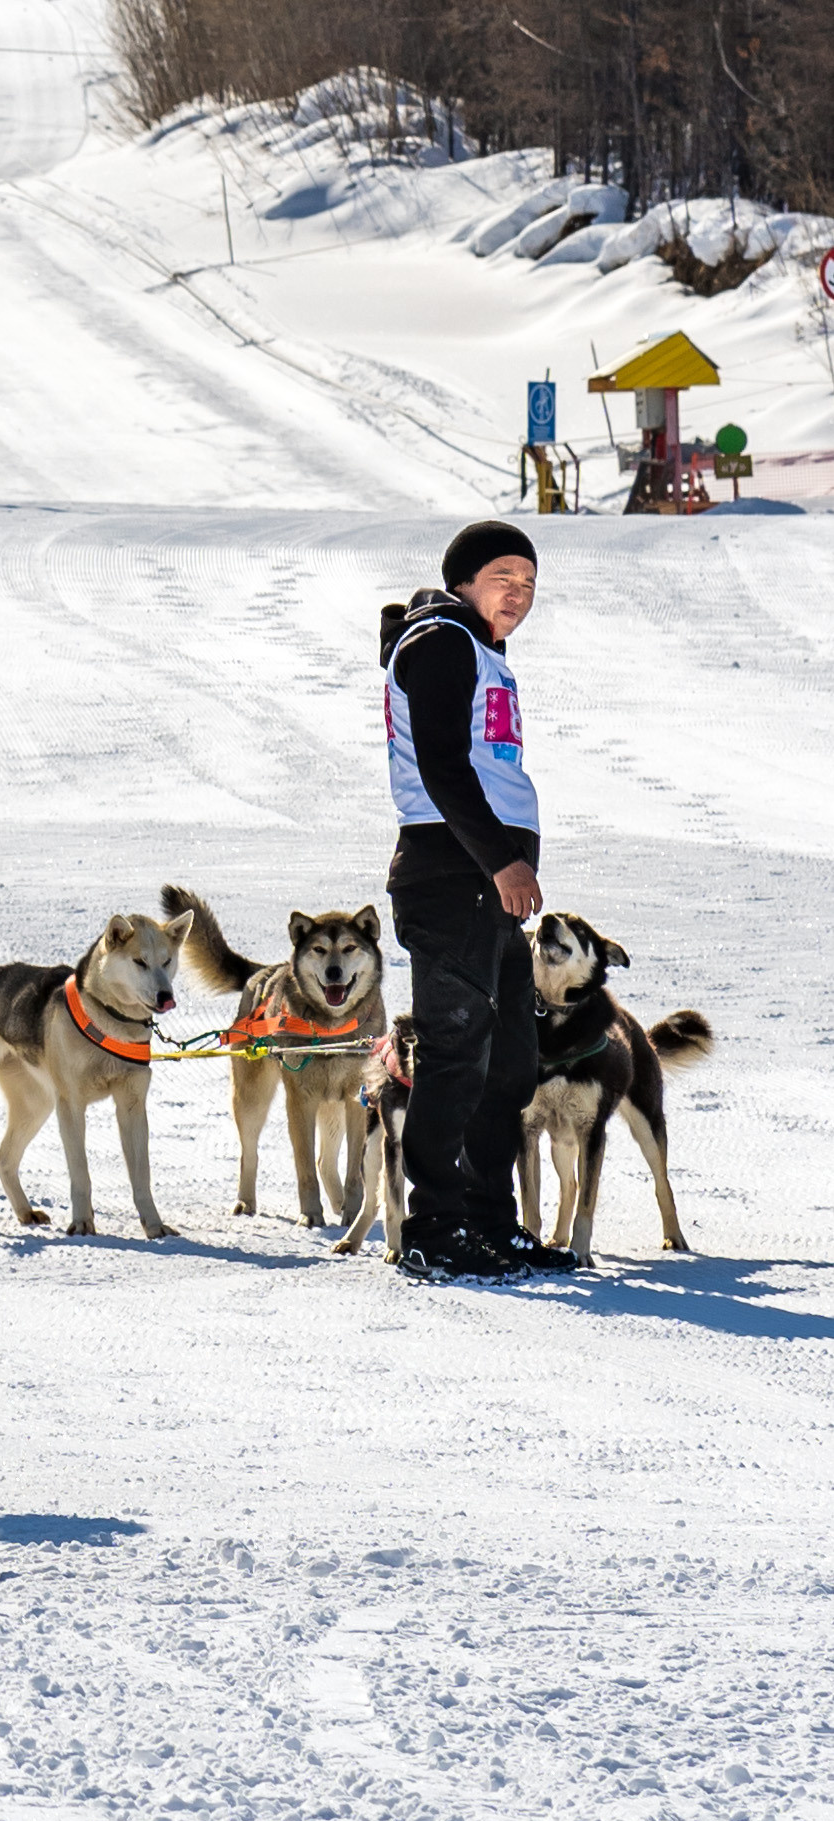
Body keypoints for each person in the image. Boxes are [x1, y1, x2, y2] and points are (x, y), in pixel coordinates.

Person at [380, 520, 574, 1280]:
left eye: (528, 582)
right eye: (502, 576)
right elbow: (439, 767)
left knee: (510, 1062)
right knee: (457, 1055)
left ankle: (490, 1222)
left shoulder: (481, 649)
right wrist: (500, 860)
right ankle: (435, 1225)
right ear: (463, 579)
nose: (518, 593)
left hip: (484, 884)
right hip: (451, 870)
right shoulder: (440, 642)